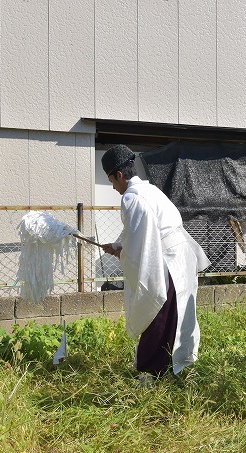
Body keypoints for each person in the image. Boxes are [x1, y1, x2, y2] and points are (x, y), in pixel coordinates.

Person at [101, 145, 210, 378]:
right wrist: (120, 246)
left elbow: (143, 241)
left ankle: (152, 369)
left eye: (111, 181)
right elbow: (138, 232)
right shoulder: (149, 191)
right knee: (179, 313)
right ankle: (179, 364)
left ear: (119, 175)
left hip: (168, 260)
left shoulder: (132, 198)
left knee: (157, 310)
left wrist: (123, 254)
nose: (113, 187)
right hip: (181, 256)